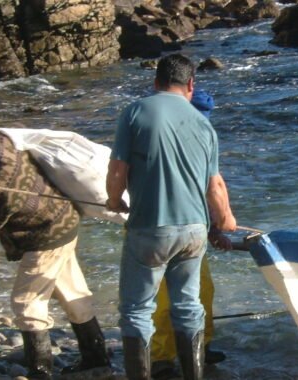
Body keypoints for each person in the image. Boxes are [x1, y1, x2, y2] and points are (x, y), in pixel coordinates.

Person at [0, 127, 111, 380]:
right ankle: (97, 360)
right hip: (64, 221)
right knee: (72, 293)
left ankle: (39, 371)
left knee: (27, 303)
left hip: (45, 237)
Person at [106, 53, 236, 380]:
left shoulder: (135, 112)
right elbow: (215, 184)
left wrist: (113, 200)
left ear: (156, 82)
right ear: (191, 84)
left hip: (150, 228)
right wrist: (225, 220)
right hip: (193, 232)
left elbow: (117, 169)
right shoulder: (203, 123)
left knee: (137, 310)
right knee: (188, 306)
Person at [150, 89, 229, 380]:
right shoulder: (157, 141)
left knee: (202, 292)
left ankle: (201, 347)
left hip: (191, 232)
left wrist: (215, 230)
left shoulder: (202, 140)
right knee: (163, 299)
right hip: (157, 229)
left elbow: (206, 190)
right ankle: (161, 357)